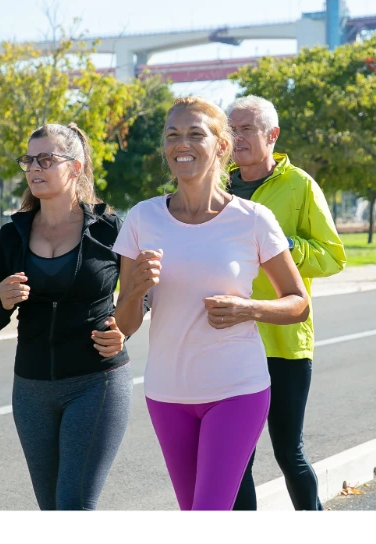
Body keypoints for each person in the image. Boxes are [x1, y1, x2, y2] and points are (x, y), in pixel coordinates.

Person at [112, 96, 311, 513]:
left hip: (237, 389)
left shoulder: (253, 219)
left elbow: (298, 303)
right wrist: (134, 291)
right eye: (172, 135)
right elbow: (123, 325)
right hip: (167, 393)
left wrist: (249, 309)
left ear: (221, 145)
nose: (181, 144)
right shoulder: (142, 219)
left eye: (195, 134)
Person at [0, 123, 133, 512]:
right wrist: (3, 301)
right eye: (29, 159)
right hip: (31, 391)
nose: (34, 168)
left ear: (76, 168)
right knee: (52, 507)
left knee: (74, 504)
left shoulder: (110, 230)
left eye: (46, 159)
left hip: (97, 382)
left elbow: (140, 295)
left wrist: (122, 328)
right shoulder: (12, 235)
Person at [225, 95, 347, 513]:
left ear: (272, 135)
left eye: (245, 129)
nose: (235, 137)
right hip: (226, 341)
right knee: (237, 459)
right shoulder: (216, 186)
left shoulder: (300, 186)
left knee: (287, 451)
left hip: (284, 341)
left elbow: (333, 256)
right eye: (231, 128)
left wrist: (285, 247)